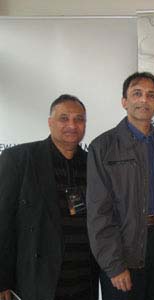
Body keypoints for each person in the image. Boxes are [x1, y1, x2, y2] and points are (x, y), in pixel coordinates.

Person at [86, 72, 154, 300]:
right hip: (123, 248)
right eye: (137, 93)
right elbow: (98, 212)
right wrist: (114, 265)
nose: (144, 100)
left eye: (151, 95)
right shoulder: (103, 147)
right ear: (124, 101)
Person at [0, 94, 99, 300]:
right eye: (64, 118)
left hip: (84, 278)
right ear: (50, 122)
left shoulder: (93, 164)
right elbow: (3, 223)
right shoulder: (20, 159)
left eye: (79, 119)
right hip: (39, 281)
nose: (72, 125)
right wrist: (2, 281)